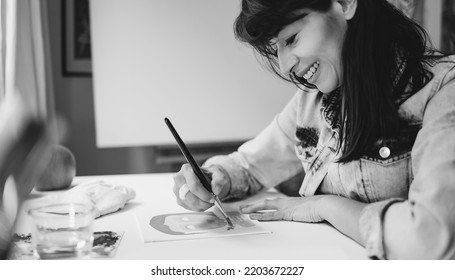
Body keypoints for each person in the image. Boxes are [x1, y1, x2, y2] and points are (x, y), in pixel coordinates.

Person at [172, 0, 455, 259]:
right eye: (276, 47)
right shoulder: (312, 100)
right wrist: (212, 178)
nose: (285, 66)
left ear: (344, 4)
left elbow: (428, 239)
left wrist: (325, 206)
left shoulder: (445, 89)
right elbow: (249, 166)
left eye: (292, 38)